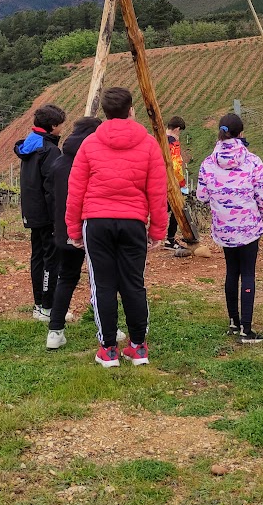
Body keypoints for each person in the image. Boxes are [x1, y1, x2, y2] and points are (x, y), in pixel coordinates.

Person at [66, 87, 167, 368]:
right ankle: (138, 346)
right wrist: (157, 230)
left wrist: (74, 230)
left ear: (105, 114)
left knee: (103, 285)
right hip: (133, 222)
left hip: (96, 222)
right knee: (134, 284)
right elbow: (158, 191)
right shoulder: (148, 145)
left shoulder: (89, 144)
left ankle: (108, 348)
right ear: (131, 110)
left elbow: (76, 191)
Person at [197, 113, 263, 343]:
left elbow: (201, 196)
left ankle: (233, 322)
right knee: (248, 273)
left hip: (223, 228)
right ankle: (246, 330)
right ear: (241, 134)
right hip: (249, 226)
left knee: (232, 272)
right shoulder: (252, 161)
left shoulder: (208, 163)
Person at [42, 115, 100, 349]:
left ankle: (55, 332)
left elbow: (50, 197)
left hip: (64, 229)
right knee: (102, 280)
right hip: (93, 227)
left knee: (66, 277)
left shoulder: (58, 163)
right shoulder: (93, 162)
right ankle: (109, 328)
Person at [14, 103, 66, 323]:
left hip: (32, 211)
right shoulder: (50, 150)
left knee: (37, 256)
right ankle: (47, 307)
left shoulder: (29, 144)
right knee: (50, 259)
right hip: (47, 214)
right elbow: (51, 187)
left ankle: (38, 305)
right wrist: (58, 217)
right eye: (61, 125)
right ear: (53, 126)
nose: (63, 129)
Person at [162, 115, 187, 250]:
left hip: (156, 179)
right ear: (177, 129)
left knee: (159, 210)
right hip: (170, 183)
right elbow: (176, 165)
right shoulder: (173, 142)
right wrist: (182, 183)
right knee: (177, 209)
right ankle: (170, 239)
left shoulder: (158, 138)